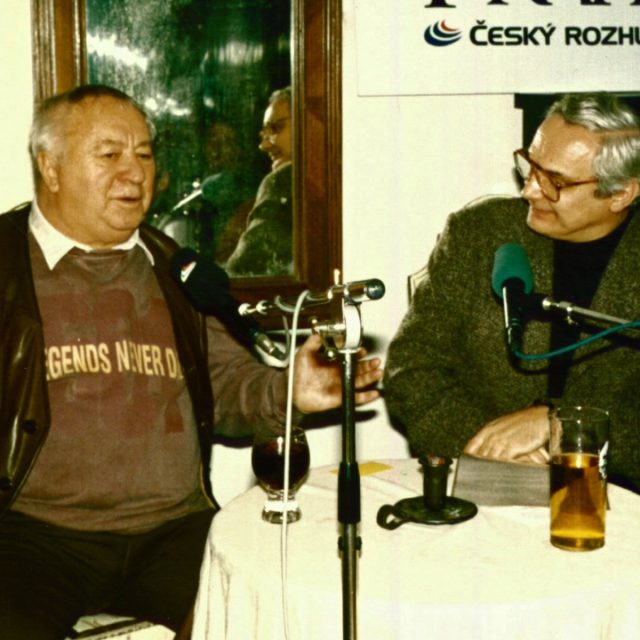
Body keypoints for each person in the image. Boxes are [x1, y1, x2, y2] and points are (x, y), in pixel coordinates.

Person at [0, 85, 382, 639]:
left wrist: (289, 392)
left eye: (145, 154)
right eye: (109, 154)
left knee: (272, 613)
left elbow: (226, 385)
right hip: (34, 536)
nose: (135, 173)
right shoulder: (6, 267)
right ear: (50, 167)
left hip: (175, 531)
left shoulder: (177, 270)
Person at [384, 92, 640, 491]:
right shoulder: (480, 233)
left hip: (621, 494)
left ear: (621, 193)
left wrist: (562, 425)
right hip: (482, 480)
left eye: (555, 182)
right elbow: (412, 368)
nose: (529, 191)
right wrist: (488, 444)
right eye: (530, 167)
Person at [225, 87, 293, 276]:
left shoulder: (282, 180)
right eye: (264, 133)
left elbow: (241, 270)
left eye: (275, 128)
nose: (264, 145)